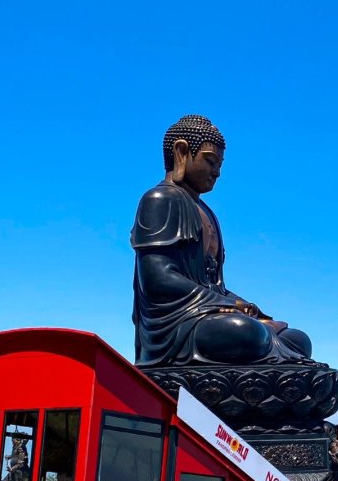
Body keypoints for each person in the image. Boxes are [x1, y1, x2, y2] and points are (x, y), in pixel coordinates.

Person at [131, 115, 313, 366]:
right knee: (245, 331)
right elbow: (157, 279)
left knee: (296, 339)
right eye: (210, 161)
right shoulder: (159, 199)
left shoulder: (207, 212)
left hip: (208, 313)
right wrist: (227, 304)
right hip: (176, 325)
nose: (217, 172)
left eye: (220, 164)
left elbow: (215, 285)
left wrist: (244, 305)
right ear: (181, 152)